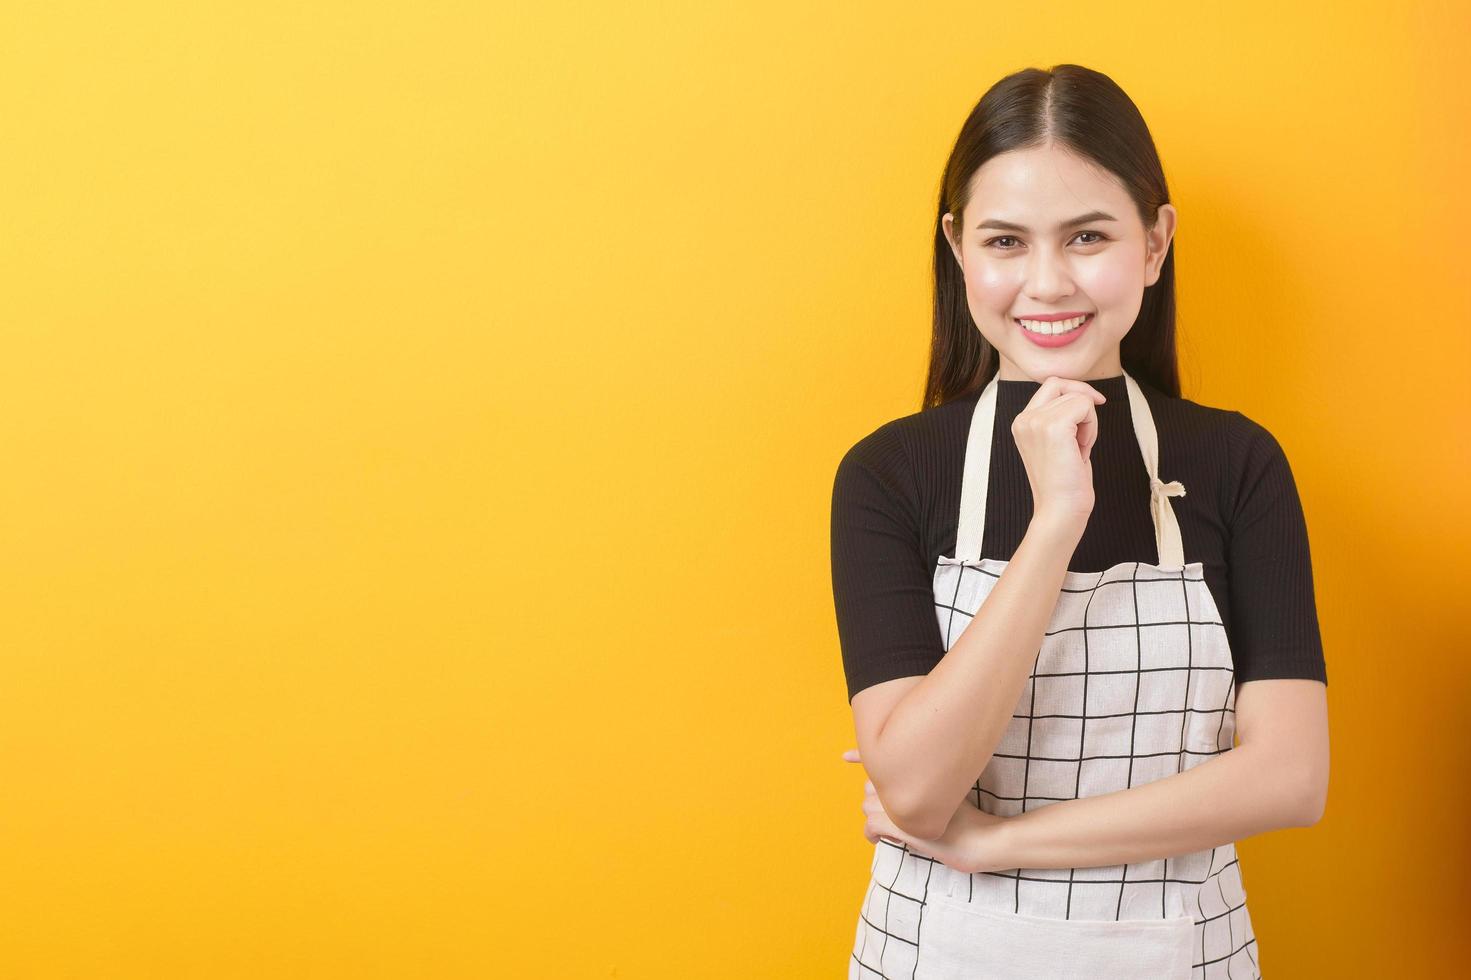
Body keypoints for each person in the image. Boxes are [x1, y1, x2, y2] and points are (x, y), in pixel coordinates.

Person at [830, 65, 1329, 980]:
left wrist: (997, 844)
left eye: (1087, 236)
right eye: (1005, 241)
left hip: (1180, 956)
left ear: (1153, 242)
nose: (1047, 282)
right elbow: (916, 784)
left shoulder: (1237, 464)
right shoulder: (888, 474)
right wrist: (1056, 519)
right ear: (957, 248)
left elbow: (1290, 779)